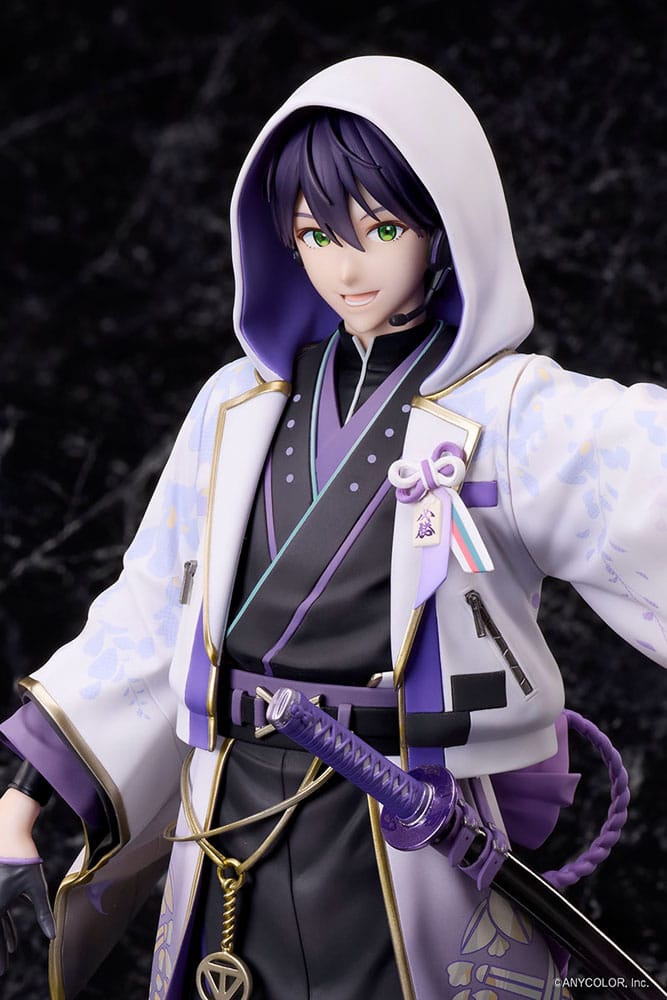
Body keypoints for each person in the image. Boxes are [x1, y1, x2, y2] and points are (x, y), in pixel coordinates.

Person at [0, 55, 665, 1000]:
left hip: (404, 816)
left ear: (447, 227)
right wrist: (19, 799)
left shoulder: (511, 412)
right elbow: (149, 616)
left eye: (381, 230)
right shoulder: (237, 404)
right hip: (230, 803)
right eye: (315, 234)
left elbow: (643, 484)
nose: (345, 268)